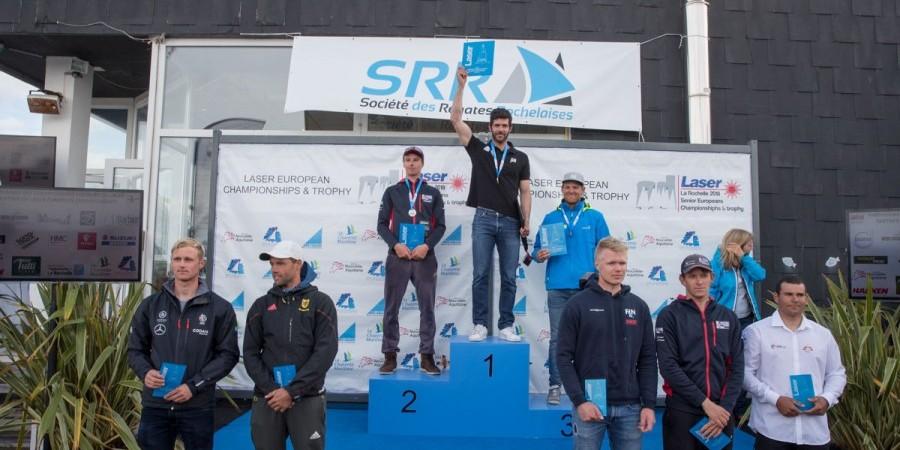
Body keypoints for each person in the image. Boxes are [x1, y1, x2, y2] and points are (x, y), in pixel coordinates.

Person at [127, 238, 239, 450]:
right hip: (156, 405)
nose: (181, 264)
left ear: (201, 263)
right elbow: (135, 350)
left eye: (188, 259)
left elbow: (228, 355)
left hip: (197, 405)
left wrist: (193, 386)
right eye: (177, 259)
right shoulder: (151, 305)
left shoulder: (219, 308)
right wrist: (145, 372)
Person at [450, 65, 532, 342]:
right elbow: (456, 120)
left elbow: (525, 191)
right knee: (480, 275)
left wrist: (526, 221)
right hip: (483, 220)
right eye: (496, 125)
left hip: (510, 222)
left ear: (510, 128)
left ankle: (506, 325)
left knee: (509, 276)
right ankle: (480, 325)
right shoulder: (479, 149)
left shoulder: (520, 157)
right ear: (490, 127)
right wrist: (461, 87)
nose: (500, 129)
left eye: (504, 125)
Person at [557, 238, 658, 449]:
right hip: (590, 404)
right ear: (597, 264)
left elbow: (648, 359)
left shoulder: (639, 306)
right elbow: (563, 357)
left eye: (622, 263)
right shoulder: (577, 305)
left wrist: (649, 404)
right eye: (612, 263)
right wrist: (579, 401)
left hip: (631, 409)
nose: (618, 268)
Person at [244, 240, 338, 450]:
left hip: (307, 396)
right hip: (269, 397)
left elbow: (325, 352)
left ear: (298, 264)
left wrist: (292, 391)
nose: (274, 269)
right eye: (272, 264)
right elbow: (250, 353)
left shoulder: (321, 303)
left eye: (280, 263)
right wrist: (273, 390)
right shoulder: (261, 305)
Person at [532, 171, 611, 404]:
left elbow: (607, 250)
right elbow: (536, 250)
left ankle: (591, 390)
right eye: (567, 187)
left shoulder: (595, 217)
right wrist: (539, 254)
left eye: (576, 187)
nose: (571, 190)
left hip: (588, 288)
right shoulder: (551, 217)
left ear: (583, 191)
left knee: (591, 339)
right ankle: (555, 386)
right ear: (562, 190)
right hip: (558, 287)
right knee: (557, 339)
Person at [742, 276, 846, 450]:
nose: (795, 299)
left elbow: (836, 373)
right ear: (776, 297)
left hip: (814, 433)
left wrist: (827, 399)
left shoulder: (823, 335)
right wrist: (776, 399)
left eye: (800, 295)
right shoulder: (757, 332)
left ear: (806, 298)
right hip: (772, 430)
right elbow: (745, 374)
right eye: (789, 294)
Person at [656, 254, 743, 450]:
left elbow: (737, 368)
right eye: (692, 276)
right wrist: (705, 403)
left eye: (703, 275)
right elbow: (668, 366)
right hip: (682, 411)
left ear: (712, 277)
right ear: (682, 280)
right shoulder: (669, 315)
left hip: (721, 412)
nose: (699, 281)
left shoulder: (728, 317)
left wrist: (724, 409)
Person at [376, 146, 446, 375]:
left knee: (427, 309)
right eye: (408, 159)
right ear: (404, 164)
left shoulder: (433, 193)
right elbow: (381, 225)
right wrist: (396, 245)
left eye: (416, 159)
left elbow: (441, 226)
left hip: (425, 258)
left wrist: (427, 246)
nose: (412, 163)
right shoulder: (392, 192)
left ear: (422, 163)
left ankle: (427, 357)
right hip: (398, 256)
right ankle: (389, 356)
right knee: (391, 308)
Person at [710, 228, 766, 328]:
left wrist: (743, 257)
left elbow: (760, 275)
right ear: (738, 244)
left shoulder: (746, 263)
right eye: (749, 244)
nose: (752, 247)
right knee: (724, 339)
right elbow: (711, 290)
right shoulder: (718, 264)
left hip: (747, 318)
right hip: (724, 318)